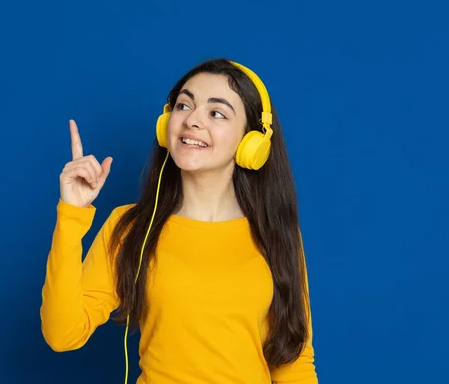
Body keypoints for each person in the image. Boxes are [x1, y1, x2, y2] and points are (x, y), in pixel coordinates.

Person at [40, 58, 318, 384]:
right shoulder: (130, 227)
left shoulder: (275, 234)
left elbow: (293, 362)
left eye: (217, 113)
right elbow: (62, 333)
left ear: (251, 142)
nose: (192, 120)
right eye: (184, 105)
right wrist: (71, 214)